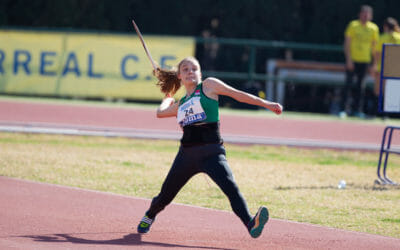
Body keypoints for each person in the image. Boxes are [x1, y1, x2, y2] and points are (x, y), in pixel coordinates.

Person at [136, 57, 283, 238]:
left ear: (200, 73)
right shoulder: (181, 104)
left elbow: (238, 94)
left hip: (213, 153)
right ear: (180, 76)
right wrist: (167, 98)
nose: (190, 71)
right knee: (165, 196)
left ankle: (251, 224)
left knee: (232, 189)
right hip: (186, 156)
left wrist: (267, 104)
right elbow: (160, 113)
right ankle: (150, 215)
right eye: (185, 69)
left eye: (194, 68)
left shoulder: (209, 86)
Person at [340, 5, 379, 118]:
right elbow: (347, 44)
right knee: (348, 85)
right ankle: (344, 110)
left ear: (371, 16)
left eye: (368, 14)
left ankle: (357, 110)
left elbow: (374, 47)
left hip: (365, 61)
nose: (365, 16)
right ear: (360, 14)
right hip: (353, 60)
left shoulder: (373, 28)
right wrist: (349, 60)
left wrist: (374, 64)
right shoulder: (353, 25)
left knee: (360, 87)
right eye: (364, 13)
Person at [372, 17, 400, 113]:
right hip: (396, 69)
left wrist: (374, 65)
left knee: (379, 90)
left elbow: (378, 53)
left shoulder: (383, 37)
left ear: (385, 27)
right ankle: (388, 114)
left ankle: (377, 112)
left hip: (382, 68)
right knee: (391, 91)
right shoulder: (399, 37)